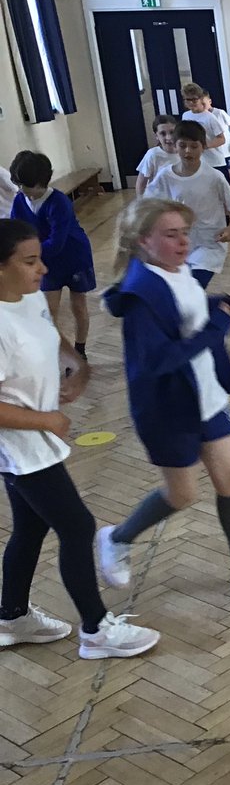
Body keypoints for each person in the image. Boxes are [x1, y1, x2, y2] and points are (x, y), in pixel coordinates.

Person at [96, 198, 230, 598]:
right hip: (168, 409)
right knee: (182, 494)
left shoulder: (177, 270)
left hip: (206, 396)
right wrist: (216, 326)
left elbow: (181, 318)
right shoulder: (140, 295)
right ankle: (116, 538)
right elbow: (159, 360)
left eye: (185, 232)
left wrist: (210, 305)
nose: (184, 242)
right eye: (171, 235)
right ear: (143, 241)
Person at [0, 218, 160, 659]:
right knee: (78, 526)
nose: (42, 268)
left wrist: (77, 364)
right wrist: (46, 420)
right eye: (30, 261)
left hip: (36, 442)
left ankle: (11, 617)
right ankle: (96, 630)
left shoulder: (30, 297)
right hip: (21, 447)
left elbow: (49, 331)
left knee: (31, 527)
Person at [9, 151, 96, 361]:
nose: (21, 189)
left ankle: (80, 350)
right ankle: (56, 351)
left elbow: (56, 243)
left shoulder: (59, 202)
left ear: (40, 182)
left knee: (79, 306)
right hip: (46, 262)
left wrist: (27, 256)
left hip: (74, 258)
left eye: (25, 185)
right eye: (18, 184)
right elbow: (15, 230)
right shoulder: (20, 200)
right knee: (49, 310)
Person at [144, 121, 230, 289]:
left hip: (210, 243)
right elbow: (148, 206)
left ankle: (215, 304)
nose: (188, 151)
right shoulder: (165, 177)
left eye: (194, 146)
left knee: (193, 285)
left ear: (203, 147)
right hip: (178, 245)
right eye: (183, 146)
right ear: (175, 146)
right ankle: (216, 304)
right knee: (181, 291)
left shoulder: (214, 177)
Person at [180, 82, 228, 173]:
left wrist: (204, 146)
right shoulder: (185, 116)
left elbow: (221, 139)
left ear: (201, 99)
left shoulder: (209, 117)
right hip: (197, 162)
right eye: (188, 100)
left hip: (214, 162)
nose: (191, 103)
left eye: (194, 100)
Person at [136, 115, 179, 197]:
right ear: (156, 136)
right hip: (157, 201)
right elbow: (141, 184)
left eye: (172, 132)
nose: (168, 137)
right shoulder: (153, 154)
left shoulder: (184, 153)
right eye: (163, 133)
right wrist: (141, 201)